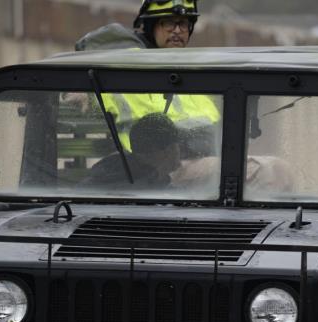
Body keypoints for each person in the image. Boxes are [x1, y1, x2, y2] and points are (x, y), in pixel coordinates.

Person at [71, 0, 221, 151]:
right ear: (151, 25)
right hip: (146, 159)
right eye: (168, 23)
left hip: (196, 153)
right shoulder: (129, 64)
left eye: (183, 23)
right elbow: (97, 89)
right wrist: (85, 92)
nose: (177, 30)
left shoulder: (191, 70)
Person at [80, 113, 182, 190]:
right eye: (176, 145)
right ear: (168, 151)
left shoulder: (105, 175)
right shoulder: (146, 191)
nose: (179, 151)